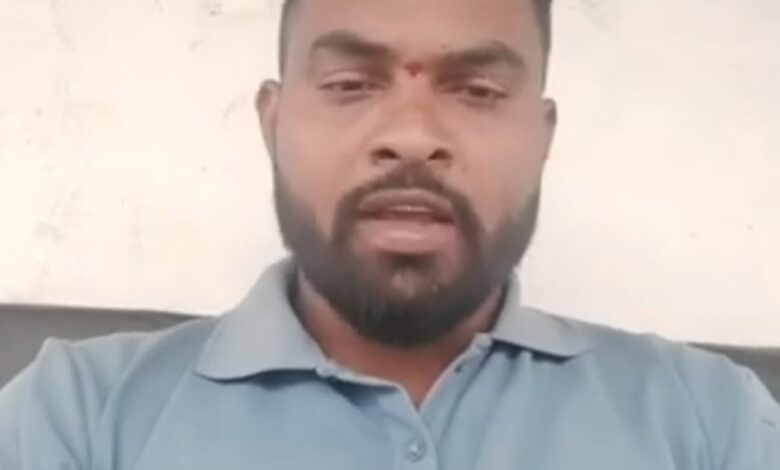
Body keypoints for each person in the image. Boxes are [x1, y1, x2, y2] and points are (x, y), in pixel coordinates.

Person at [1, 0, 778, 468]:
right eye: (350, 84)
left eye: (478, 90)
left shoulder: (710, 421)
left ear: (543, 137)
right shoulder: (76, 416)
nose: (411, 136)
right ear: (273, 122)